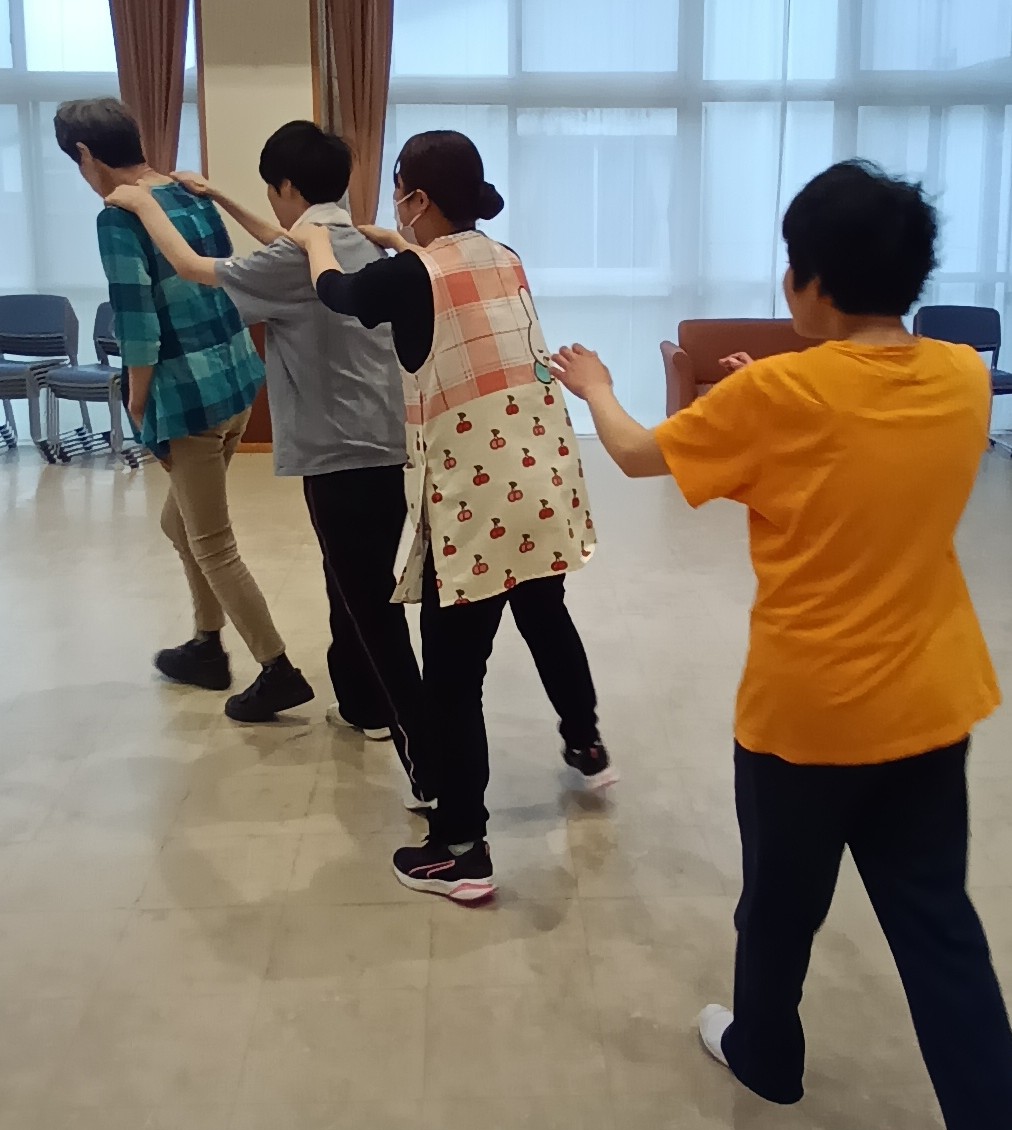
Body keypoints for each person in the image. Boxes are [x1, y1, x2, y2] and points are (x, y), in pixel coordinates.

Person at [551, 159, 1012, 1130]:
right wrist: (775, 383)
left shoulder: (777, 393)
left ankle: (767, 1052)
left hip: (809, 714)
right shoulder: (958, 375)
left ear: (809, 281)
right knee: (941, 933)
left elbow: (637, 455)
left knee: (778, 906)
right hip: (931, 698)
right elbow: (853, 428)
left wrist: (596, 387)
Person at [291, 130, 613, 902]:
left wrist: (314, 242)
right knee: (545, 615)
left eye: (399, 188)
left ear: (418, 197)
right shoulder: (505, 256)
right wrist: (395, 242)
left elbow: (340, 295)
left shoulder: (408, 275)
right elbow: (439, 279)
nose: (394, 200)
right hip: (540, 484)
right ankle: (586, 742)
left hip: (475, 507)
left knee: (453, 680)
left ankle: (461, 849)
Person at [105, 120, 431, 808]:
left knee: (367, 602)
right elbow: (283, 242)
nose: (270, 203)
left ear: (287, 186)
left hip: (339, 452)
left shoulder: (296, 258)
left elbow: (194, 268)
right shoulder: (353, 237)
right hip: (383, 441)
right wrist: (218, 195)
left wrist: (143, 204)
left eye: (269, 191)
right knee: (353, 585)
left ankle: (416, 748)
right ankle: (363, 704)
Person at [54, 97, 312, 724]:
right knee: (180, 524)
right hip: (235, 380)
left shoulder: (120, 215)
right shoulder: (186, 190)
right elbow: (223, 279)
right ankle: (205, 644)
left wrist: (137, 401)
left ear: (86, 155)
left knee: (213, 543)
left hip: (187, 397)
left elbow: (136, 321)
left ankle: (276, 668)